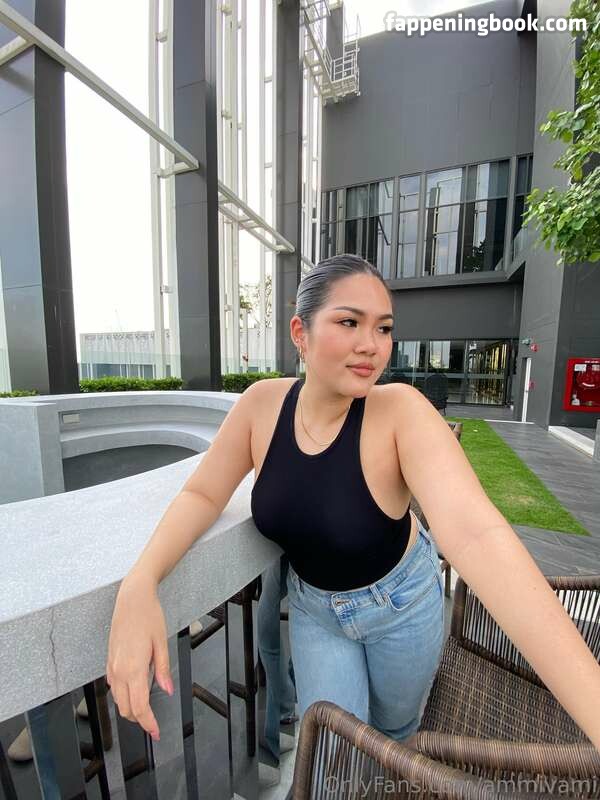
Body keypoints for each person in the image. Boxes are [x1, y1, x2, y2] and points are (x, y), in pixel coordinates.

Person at [106, 254, 600, 751]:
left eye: (383, 328)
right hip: (315, 610)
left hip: (403, 604)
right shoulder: (260, 406)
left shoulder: (401, 411)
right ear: (300, 332)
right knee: (333, 755)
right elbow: (203, 493)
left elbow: (477, 536)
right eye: (349, 322)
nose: (372, 345)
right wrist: (140, 582)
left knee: (394, 734)